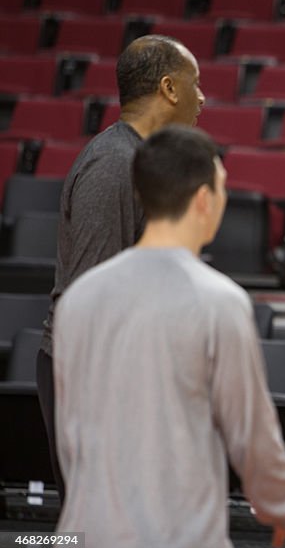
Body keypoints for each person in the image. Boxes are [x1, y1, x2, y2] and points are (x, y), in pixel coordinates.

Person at [53, 126, 285, 548]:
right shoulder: (219, 301)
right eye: (223, 187)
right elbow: (250, 433)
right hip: (174, 545)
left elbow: (70, 433)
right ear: (203, 199)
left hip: (83, 543)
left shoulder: (78, 298)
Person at [38, 34, 205, 501]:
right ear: (170, 89)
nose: (203, 96)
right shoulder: (114, 166)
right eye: (196, 83)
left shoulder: (143, 162)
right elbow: (89, 299)